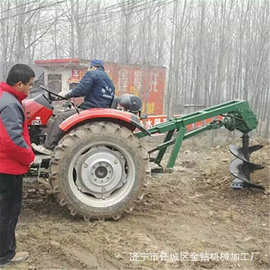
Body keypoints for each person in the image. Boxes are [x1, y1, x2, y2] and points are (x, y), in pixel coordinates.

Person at [33, 59, 115, 154]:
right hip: (100, 109)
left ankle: (48, 146)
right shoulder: (109, 81)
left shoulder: (92, 74)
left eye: (89, 67)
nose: (89, 69)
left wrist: (66, 95)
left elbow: (81, 90)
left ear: (93, 67)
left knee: (60, 117)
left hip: (90, 109)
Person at [0, 64, 35, 266]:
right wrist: (29, 156)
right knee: (7, 212)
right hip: (8, 168)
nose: (30, 89)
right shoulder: (11, 104)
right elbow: (11, 140)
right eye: (29, 85)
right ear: (19, 83)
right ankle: (5, 255)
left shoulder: (4, 97)